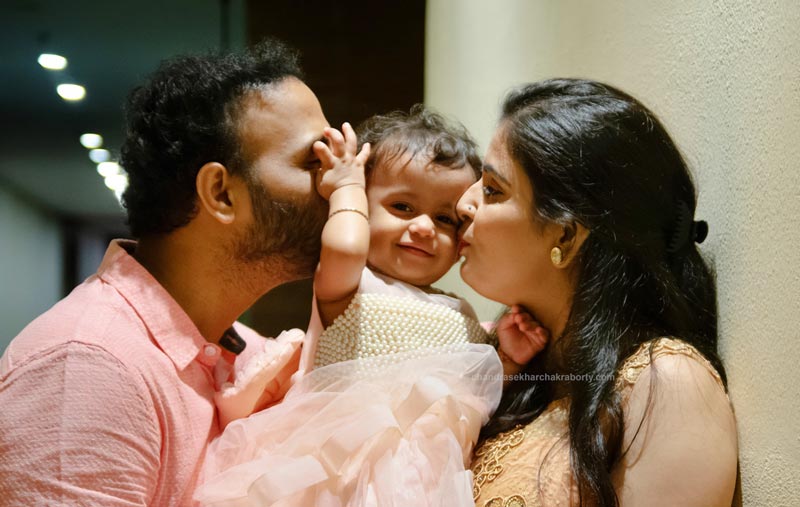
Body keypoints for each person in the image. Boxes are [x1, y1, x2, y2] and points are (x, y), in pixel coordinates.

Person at [0, 40, 331, 506]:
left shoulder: (247, 355)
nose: (341, 182)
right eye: (314, 162)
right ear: (220, 192)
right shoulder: (89, 367)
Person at [195, 107, 547, 506]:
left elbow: (471, 399)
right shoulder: (351, 285)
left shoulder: (461, 313)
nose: (424, 227)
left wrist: (510, 361)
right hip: (330, 474)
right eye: (402, 207)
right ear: (363, 205)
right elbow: (345, 246)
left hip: (424, 486)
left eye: (446, 219)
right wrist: (346, 187)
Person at [457, 79, 739, 506]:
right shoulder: (521, 362)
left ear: (566, 237)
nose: (464, 202)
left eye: (493, 190)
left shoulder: (667, 382)